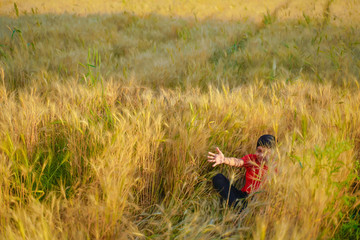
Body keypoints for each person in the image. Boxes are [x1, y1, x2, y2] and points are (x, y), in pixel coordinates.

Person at [207, 134, 276, 210]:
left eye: (266, 152)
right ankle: (238, 207)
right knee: (218, 178)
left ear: (274, 153)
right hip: (244, 196)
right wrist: (224, 159)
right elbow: (238, 162)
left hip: (260, 200)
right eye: (259, 151)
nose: (261, 155)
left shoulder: (277, 167)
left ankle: (241, 211)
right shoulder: (252, 159)